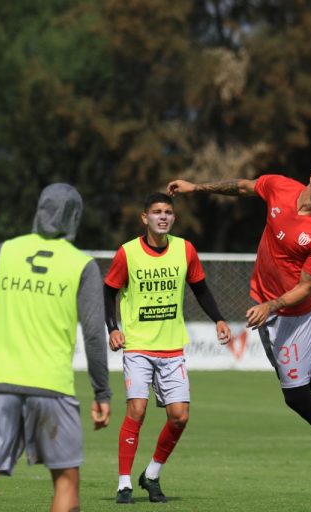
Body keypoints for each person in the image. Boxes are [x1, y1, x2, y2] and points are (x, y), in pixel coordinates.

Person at [167, 156, 311, 507]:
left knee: (295, 395)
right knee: (303, 379)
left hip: (291, 316)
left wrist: (271, 306)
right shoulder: (280, 187)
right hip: (266, 309)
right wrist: (196, 187)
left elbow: (305, 288)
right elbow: (242, 187)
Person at [104, 192, 232, 504]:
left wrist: (218, 319)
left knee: (180, 417)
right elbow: (108, 293)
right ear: (144, 218)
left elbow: (200, 289)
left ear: (174, 217)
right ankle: (123, 484)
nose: (163, 216)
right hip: (137, 347)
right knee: (137, 409)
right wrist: (113, 328)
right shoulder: (128, 253)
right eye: (157, 212)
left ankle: (151, 475)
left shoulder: (185, 249)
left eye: (168, 212)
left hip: (172, 348)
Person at [0, 183, 112, 511]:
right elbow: (93, 336)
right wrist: (102, 393)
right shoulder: (81, 265)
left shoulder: (4, 252)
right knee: (66, 480)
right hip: (51, 387)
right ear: (75, 217)